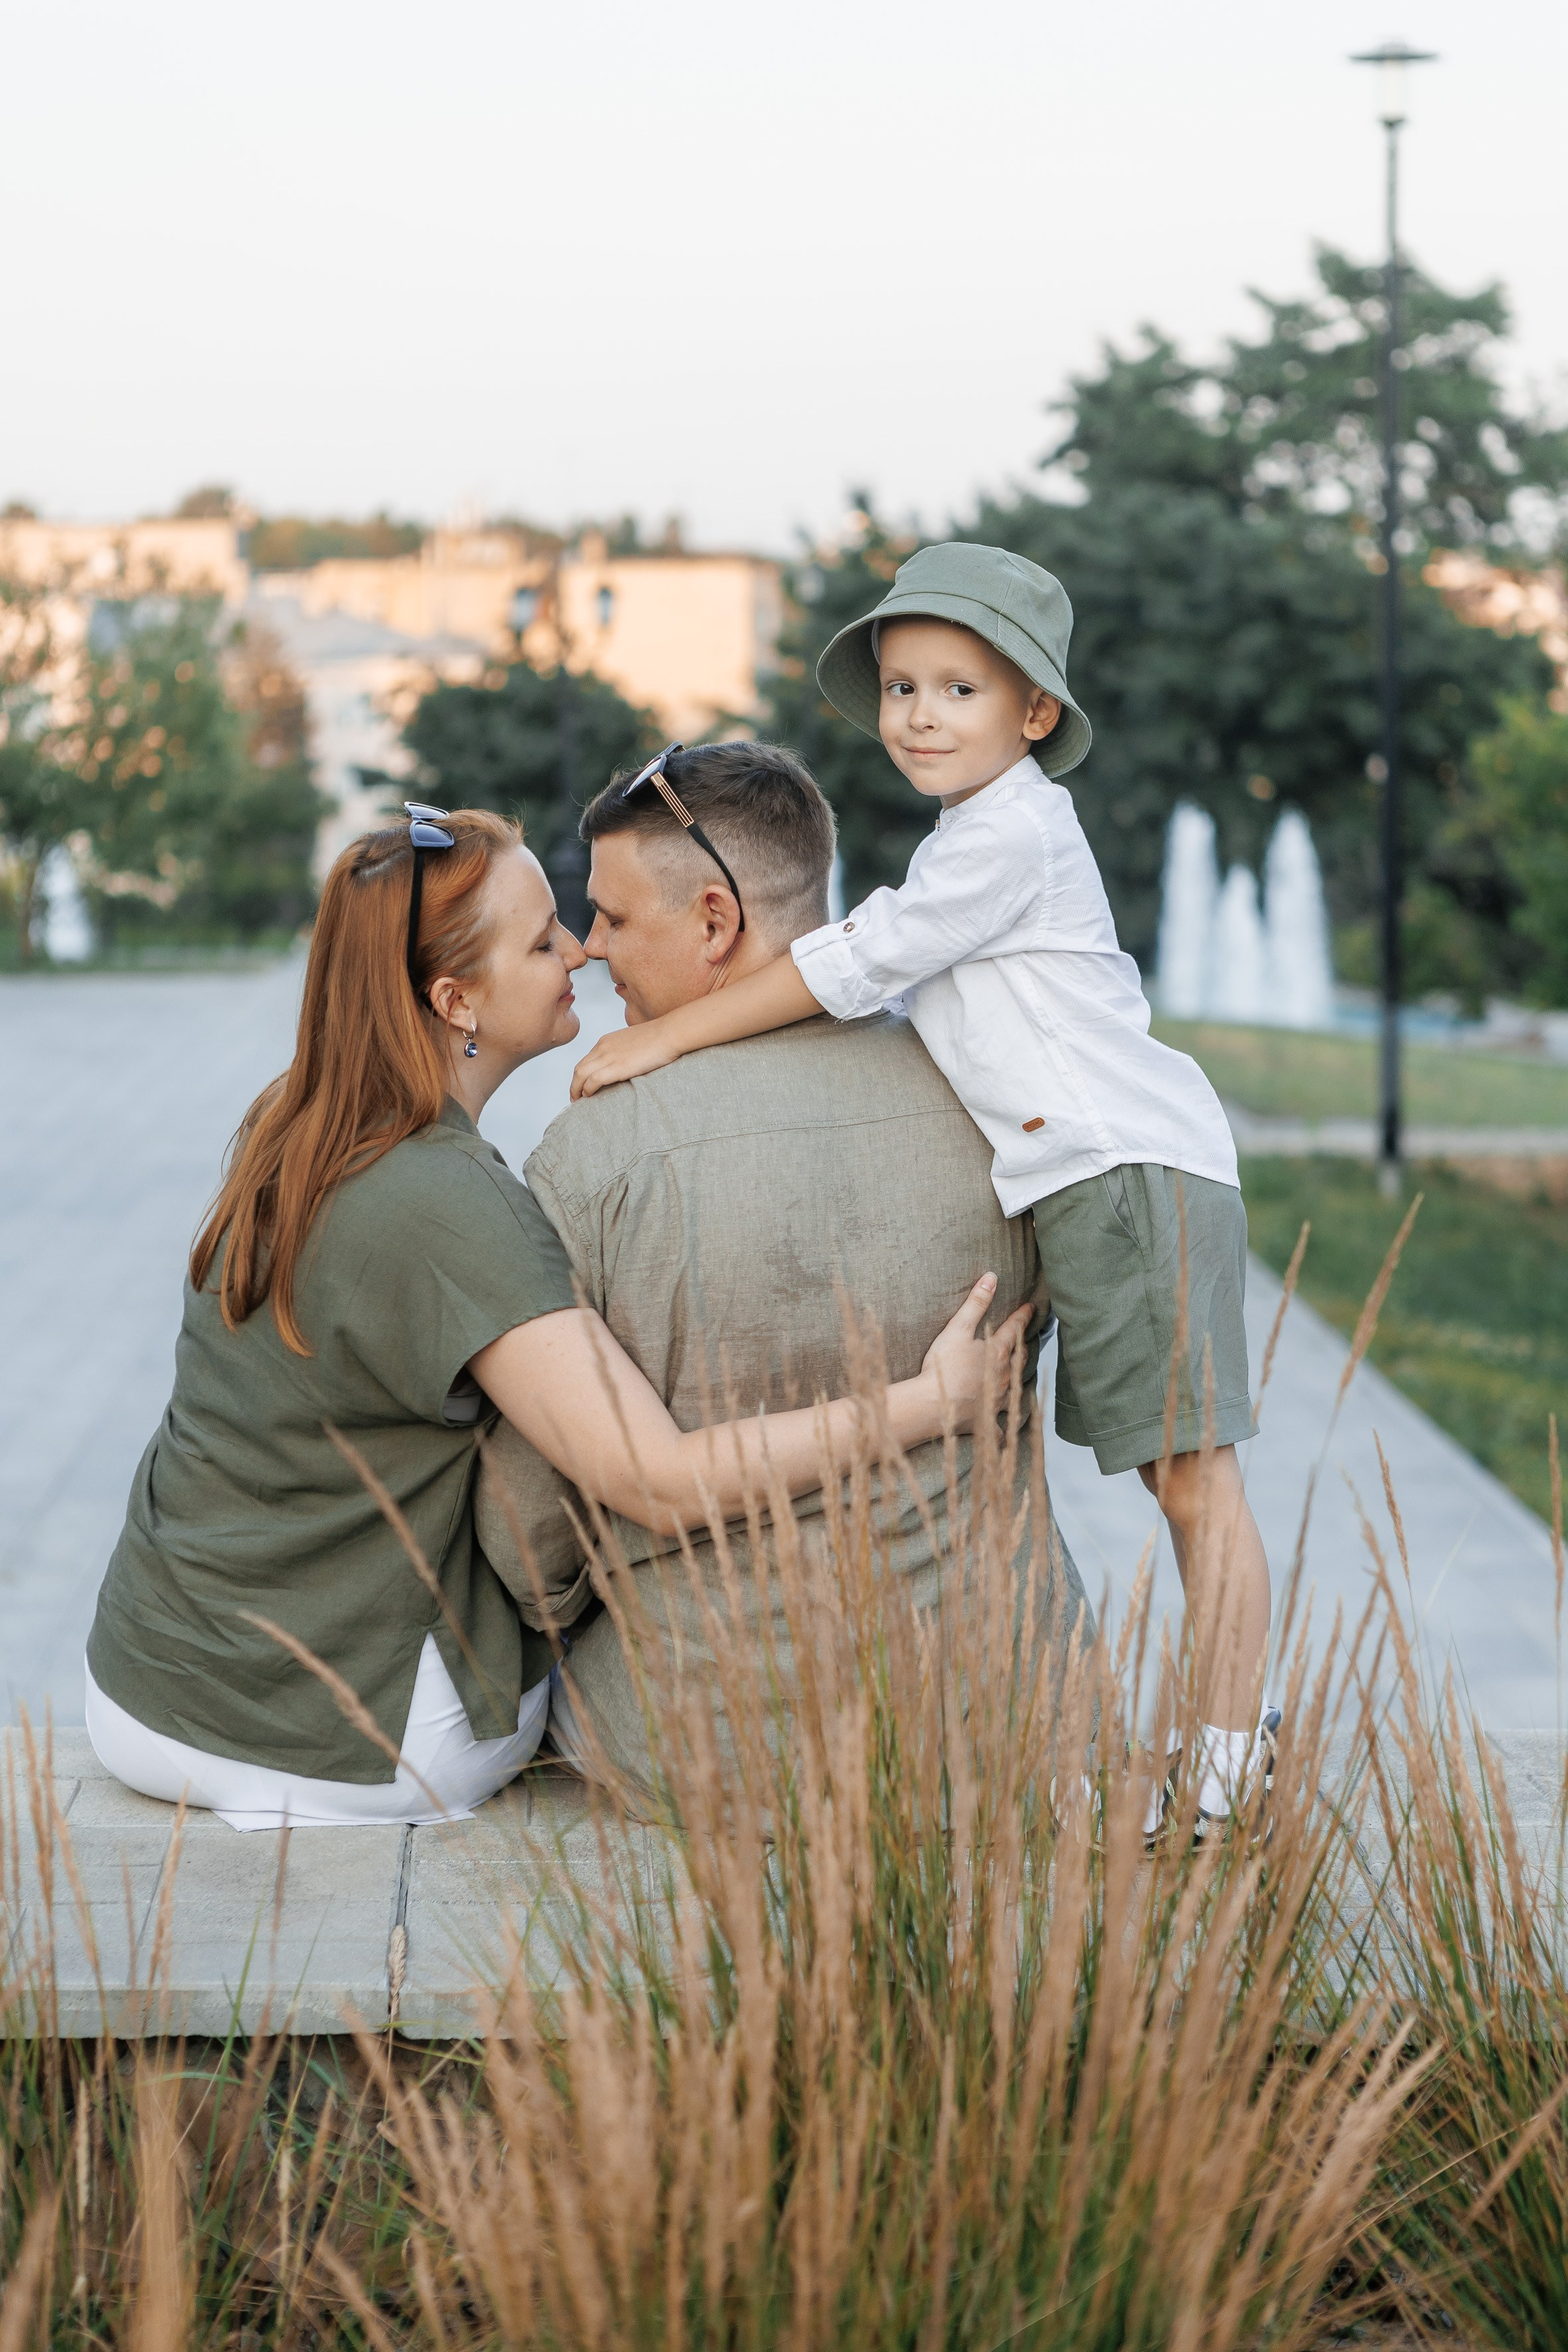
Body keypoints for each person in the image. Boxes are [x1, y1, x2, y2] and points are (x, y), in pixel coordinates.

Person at [83, 804, 1024, 1832]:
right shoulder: (448, 1204)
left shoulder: (299, 1120)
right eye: (540, 942)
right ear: (456, 1000)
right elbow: (657, 1483)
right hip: (340, 1738)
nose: (578, 949)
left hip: (141, 1691)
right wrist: (928, 1404)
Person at [568, 548, 1277, 1835]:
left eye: (958, 688)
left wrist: (664, 1037)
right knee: (1179, 1475)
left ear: (1032, 716)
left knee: (1191, 1482)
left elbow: (859, 956)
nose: (918, 717)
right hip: (1094, 1177)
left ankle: (1227, 1760)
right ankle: (1216, 1740)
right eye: (901, 688)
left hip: (1124, 1171)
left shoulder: (1006, 833)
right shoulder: (977, 834)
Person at [475, 741, 1092, 1804]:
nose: (586, 948)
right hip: (1001, 1715)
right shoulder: (1001, 1111)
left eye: (614, 919)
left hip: (710, 1743)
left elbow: (528, 1538)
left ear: (715, 920)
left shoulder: (594, 1155)